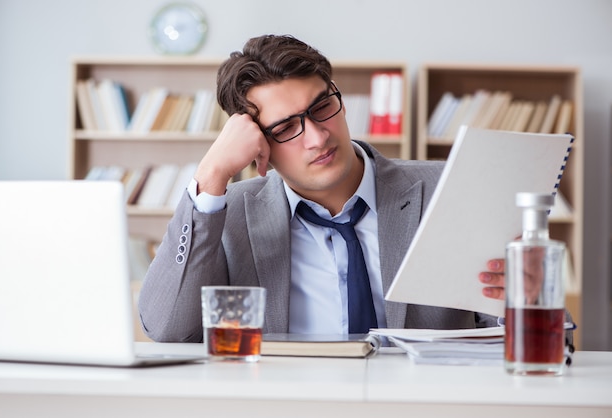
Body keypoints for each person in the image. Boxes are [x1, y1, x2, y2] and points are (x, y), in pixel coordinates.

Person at [138, 34, 506, 343]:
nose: (317, 137)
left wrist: (522, 303)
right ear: (257, 147)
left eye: (322, 107)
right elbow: (166, 330)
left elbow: (501, 335)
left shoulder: (445, 189)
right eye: (284, 129)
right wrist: (212, 171)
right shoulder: (225, 213)